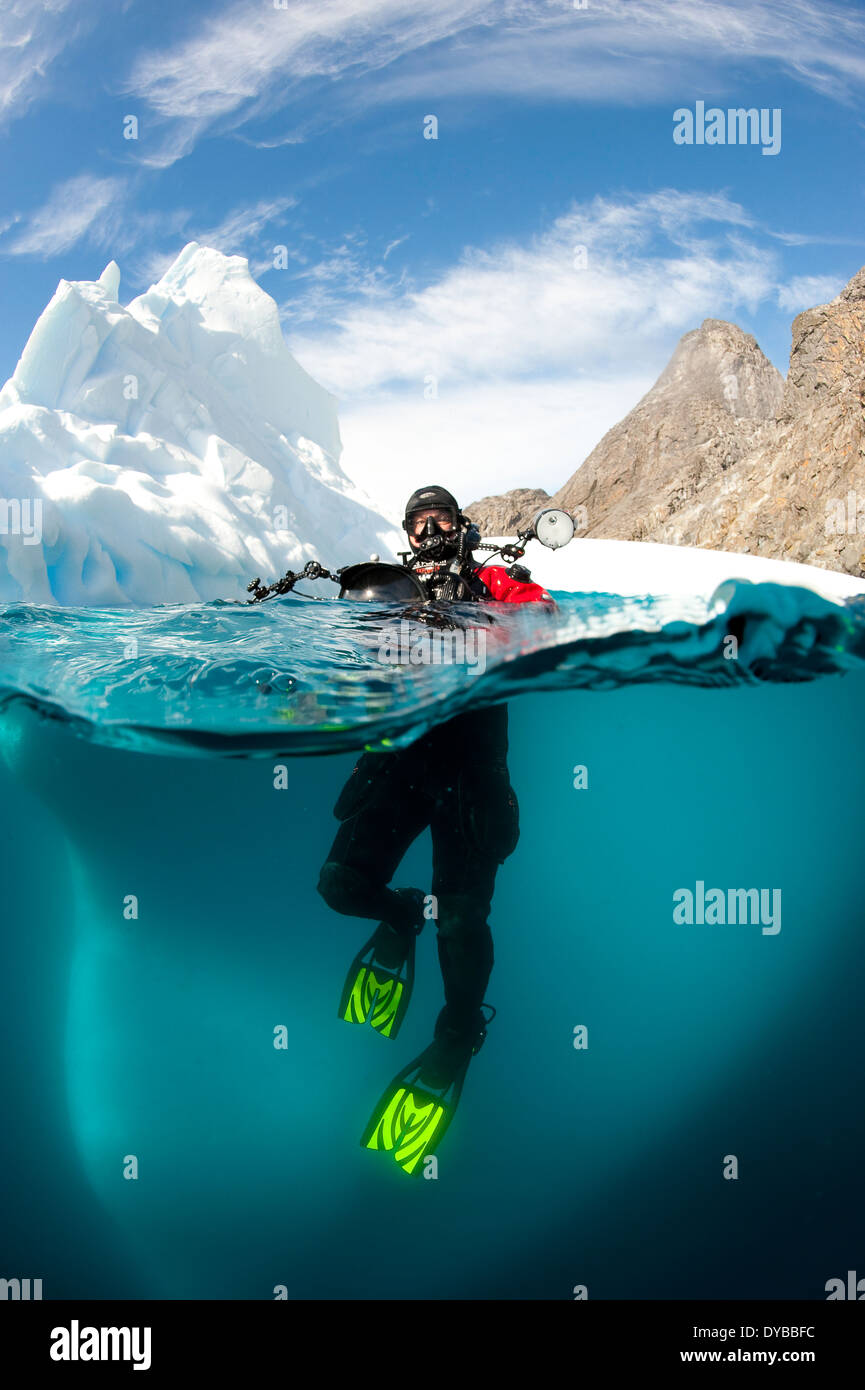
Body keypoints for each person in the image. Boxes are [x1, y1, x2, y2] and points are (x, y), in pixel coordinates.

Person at [317, 485, 552, 1174]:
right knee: (338, 884)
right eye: (418, 521)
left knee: (461, 918)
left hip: (471, 773)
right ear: (407, 533)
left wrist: (487, 619)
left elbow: (538, 615)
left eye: (439, 517)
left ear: (460, 526)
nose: (429, 528)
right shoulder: (383, 585)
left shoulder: (491, 578)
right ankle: (399, 917)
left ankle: (456, 1032)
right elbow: (342, 649)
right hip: (397, 761)